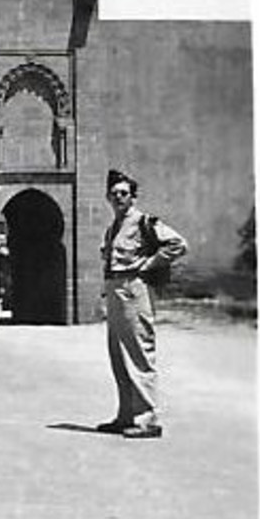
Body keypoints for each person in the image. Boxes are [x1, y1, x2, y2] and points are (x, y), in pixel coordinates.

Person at [97, 169, 188, 439]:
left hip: (134, 290)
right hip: (115, 290)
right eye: (114, 194)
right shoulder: (113, 227)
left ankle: (148, 419)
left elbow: (178, 244)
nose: (118, 198)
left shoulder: (143, 222)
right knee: (119, 356)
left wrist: (148, 264)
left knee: (139, 353)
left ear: (133, 197)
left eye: (124, 193)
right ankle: (127, 415)